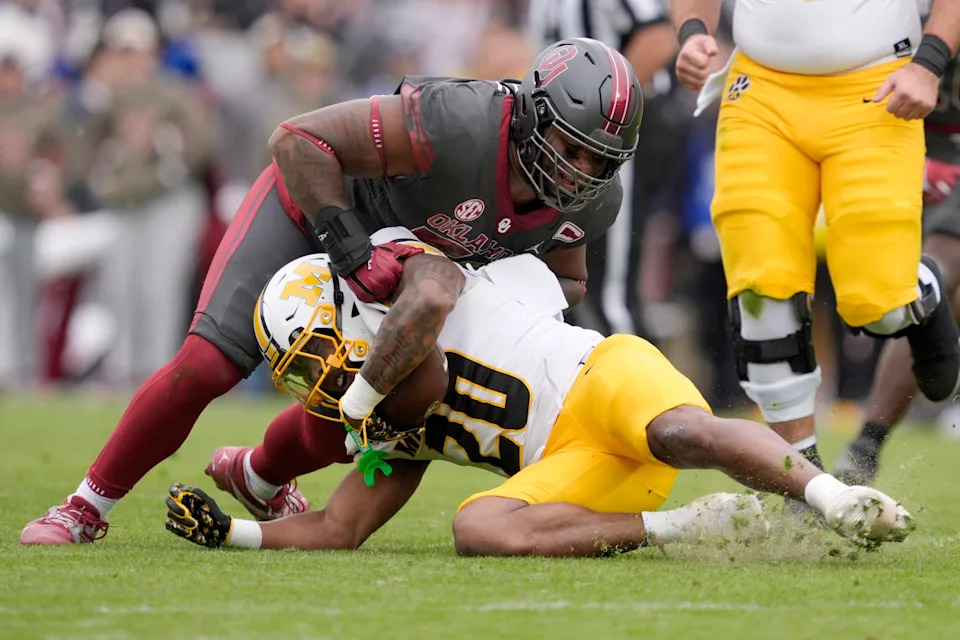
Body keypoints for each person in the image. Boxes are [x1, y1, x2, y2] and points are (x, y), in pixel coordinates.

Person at [20, 37, 644, 545]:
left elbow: (564, 282)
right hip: (318, 212)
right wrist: (349, 247)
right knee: (209, 362)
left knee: (376, 405)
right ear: (533, 116)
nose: (581, 171)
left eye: (600, 160)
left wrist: (488, 295)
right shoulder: (459, 122)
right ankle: (83, 506)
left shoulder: (591, 204)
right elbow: (298, 139)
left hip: (405, 267)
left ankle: (259, 478)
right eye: (571, 148)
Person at [163, 234, 913, 556]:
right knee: (476, 528)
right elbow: (338, 527)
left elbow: (436, 295)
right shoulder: (389, 422)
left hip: (600, 378)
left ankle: (829, 494)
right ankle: (686, 523)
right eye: (304, 369)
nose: (320, 380)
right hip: (576, 478)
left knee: (682, 429)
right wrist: (232, 534)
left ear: (350, 314)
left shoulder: (420, 282)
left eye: (320, 353)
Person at [669, 0, 960, 478]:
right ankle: (800, 483)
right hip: (760, 90)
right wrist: (693, 32)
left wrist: (929, 64)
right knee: (762, 299)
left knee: (879, 305)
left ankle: (919, 289)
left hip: (878, 84)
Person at [836, 44, 960, 484]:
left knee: (939, 281)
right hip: (899, 139)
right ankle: (866, 443)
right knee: (933, 273)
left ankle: (867, 443)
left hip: (936, 148)